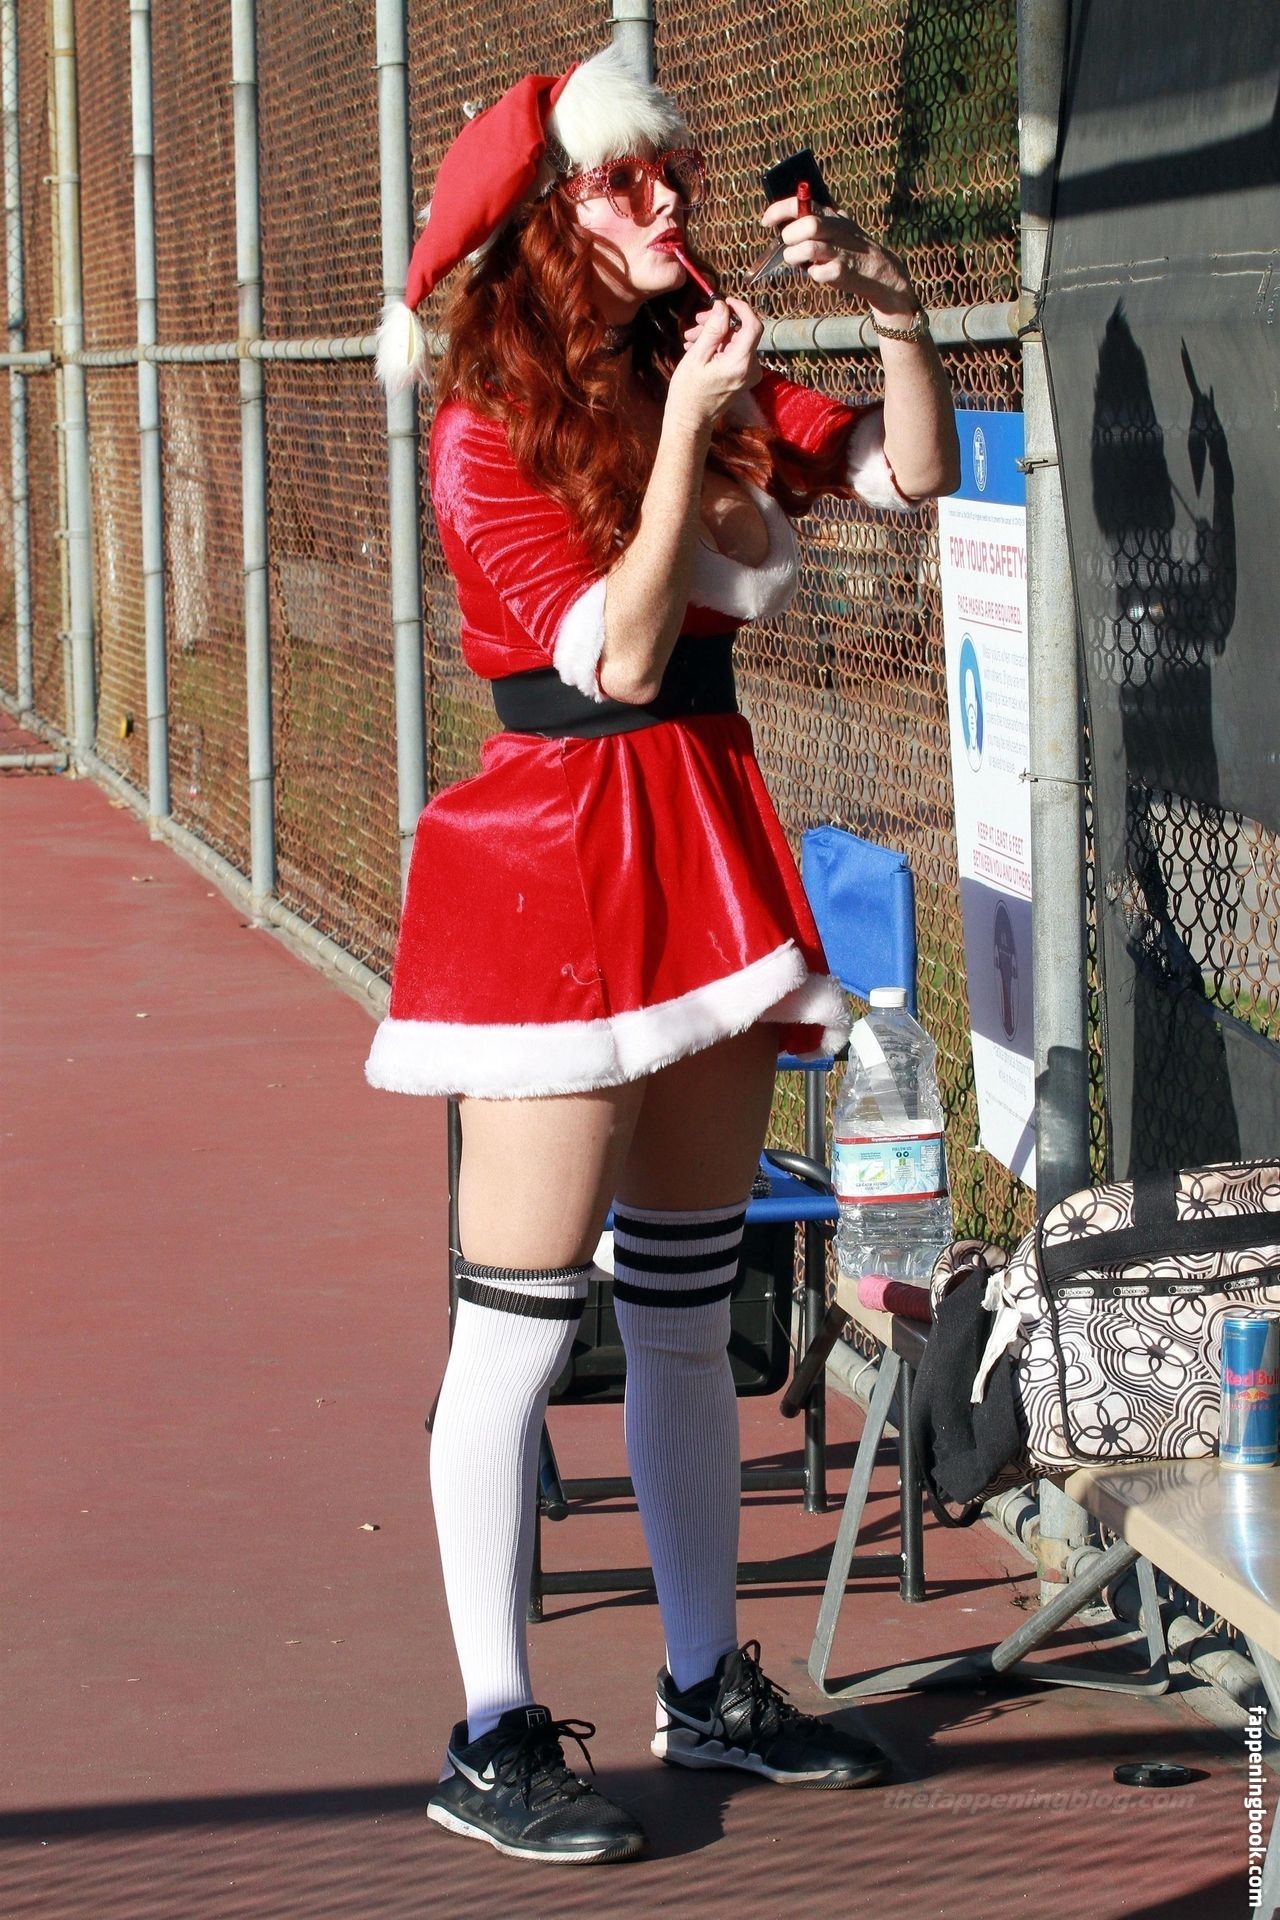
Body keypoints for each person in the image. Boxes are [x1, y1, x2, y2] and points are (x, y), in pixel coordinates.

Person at [368, 43, 959, 1864]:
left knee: (691, 1313)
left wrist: (893, 310)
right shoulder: (484, 428)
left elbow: (910, 472)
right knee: (521, 1329)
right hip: (553, 877)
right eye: (629, 180)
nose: (671, 201)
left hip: (702, 851)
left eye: (673, 174)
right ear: (553, 216)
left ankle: (706, 1683)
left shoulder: (677, 366)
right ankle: (490, 1730)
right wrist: (696, 431)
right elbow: (618, 658)